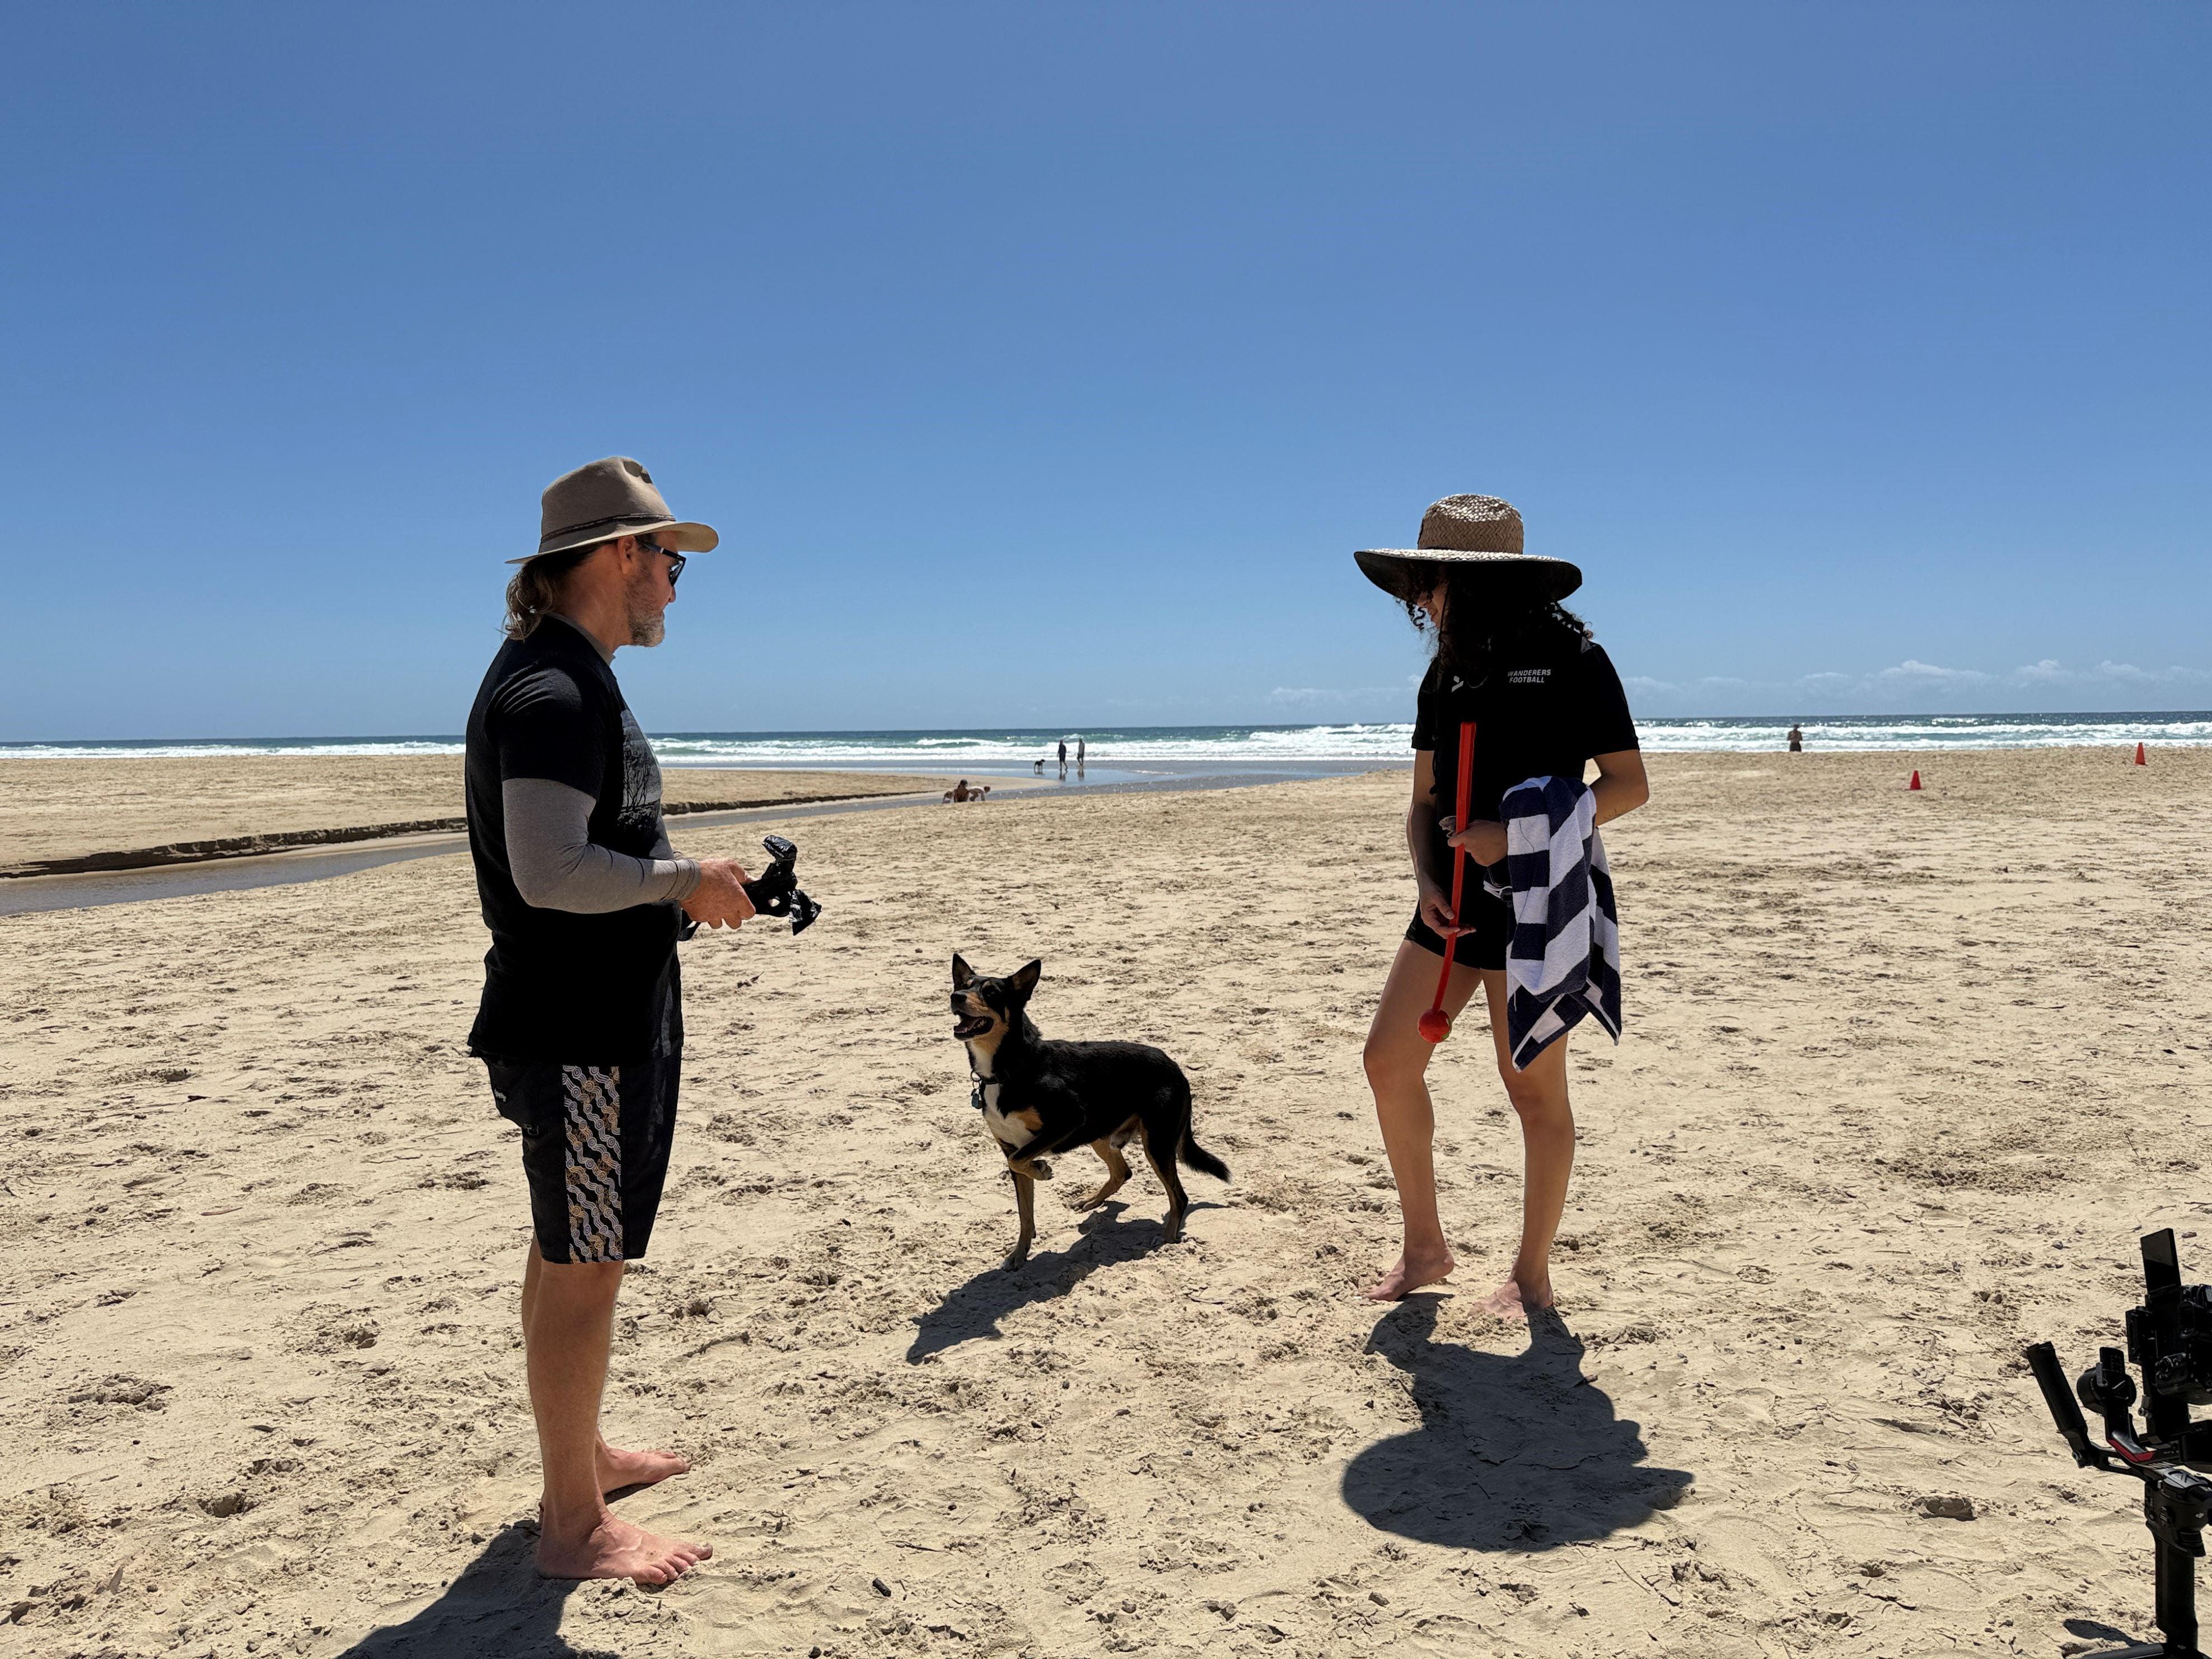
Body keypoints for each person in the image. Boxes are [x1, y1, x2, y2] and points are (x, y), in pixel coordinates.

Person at [464, 456, 757, 1585]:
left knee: (565, 1245)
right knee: (585, 1264)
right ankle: (573, 1527)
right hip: (576, 1030)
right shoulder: (549, 691)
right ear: (617, 557)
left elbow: (589, 858)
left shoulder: (568, 674)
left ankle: (576, 1460)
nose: (678, 588)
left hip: (593, 1016)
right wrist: (683, 879)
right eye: (670, 564)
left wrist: (681, 886)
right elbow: (549, 872)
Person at [1351, 495, 1649, 1314]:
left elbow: (1628, 787)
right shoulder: (1445, 671)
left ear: (1471, 580)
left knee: (1533, 1094)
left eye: (1427, 583)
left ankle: (1531, 1275)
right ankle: (1425, 1250)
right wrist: (1426, 880)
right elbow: (1421, 803)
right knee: (1388, 1061)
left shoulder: (1573, 660)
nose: (1417, 600)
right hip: (1452, 908)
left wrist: (1515, 835)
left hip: (1539, 901)